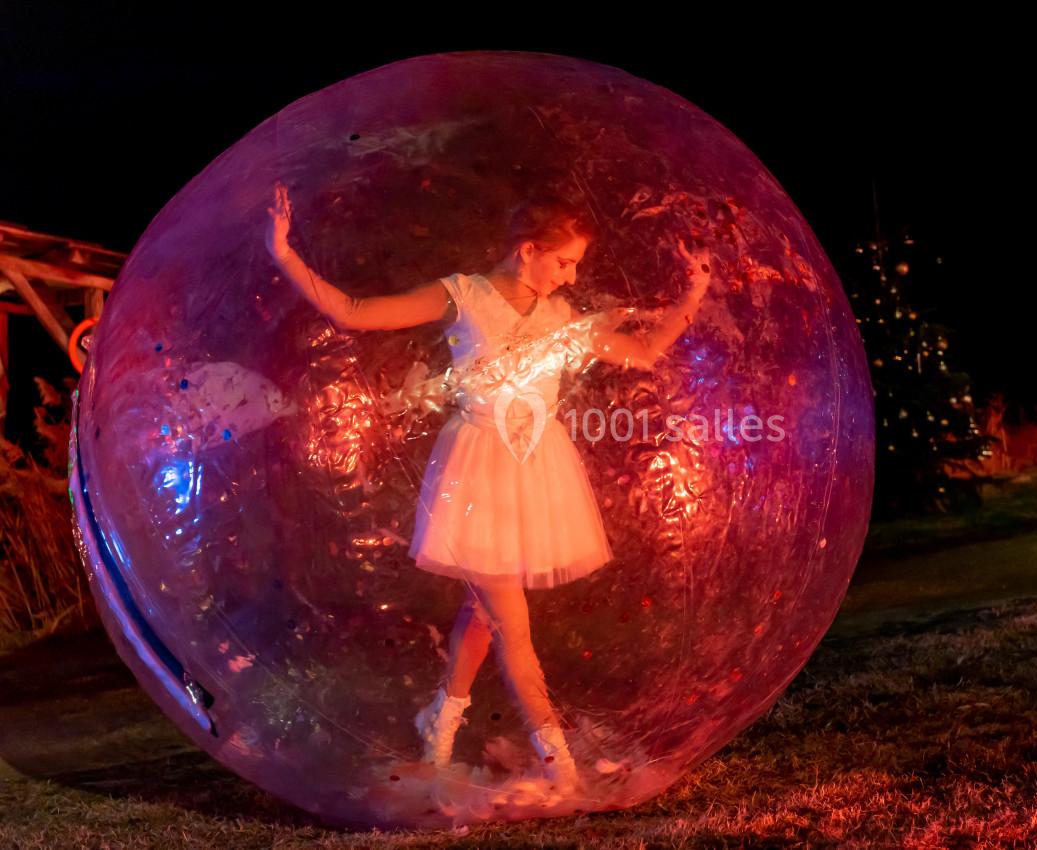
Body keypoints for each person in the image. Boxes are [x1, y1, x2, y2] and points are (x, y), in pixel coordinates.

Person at [265, 183, 711, 796]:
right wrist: (284, 252)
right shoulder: (463, 295)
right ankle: (559, 763)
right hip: (478, 469)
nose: (571, 275)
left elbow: (643, 351)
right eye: (564, 260)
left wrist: (695, 293)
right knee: (510, 622)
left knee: (483, 613)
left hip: (539, 469)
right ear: (527, 250)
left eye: (576, 264)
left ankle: (439, 727)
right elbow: (354, 311)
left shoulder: (561, 316)